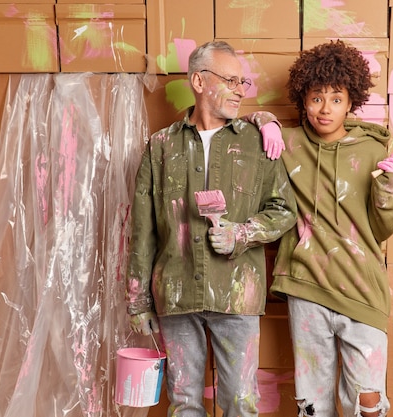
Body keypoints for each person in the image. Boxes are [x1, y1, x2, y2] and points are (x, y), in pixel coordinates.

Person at [125, 40, 297, 417]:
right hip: (175, 290)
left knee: (240, 402)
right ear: (199, 81)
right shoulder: (160, 147)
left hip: (236, 294)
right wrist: (137, 299)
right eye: (231, 80)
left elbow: (284, 210)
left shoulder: (256, 143)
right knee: (184, 402)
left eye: (243, 82)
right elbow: (142, 228)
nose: (240, 90)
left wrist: (242, 233)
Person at [269, 40, 393, 417]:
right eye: (316, 98)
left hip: (362, 290)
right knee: (313, 405)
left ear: (351, 101)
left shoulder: (375, 151)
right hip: (307, 288)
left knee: (368, 404)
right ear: (303, 100)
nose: (325, 108)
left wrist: (388, 187)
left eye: (336, 98)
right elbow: (241, 128)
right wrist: (262, 120)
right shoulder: (288, 143)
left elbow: (384, 228)